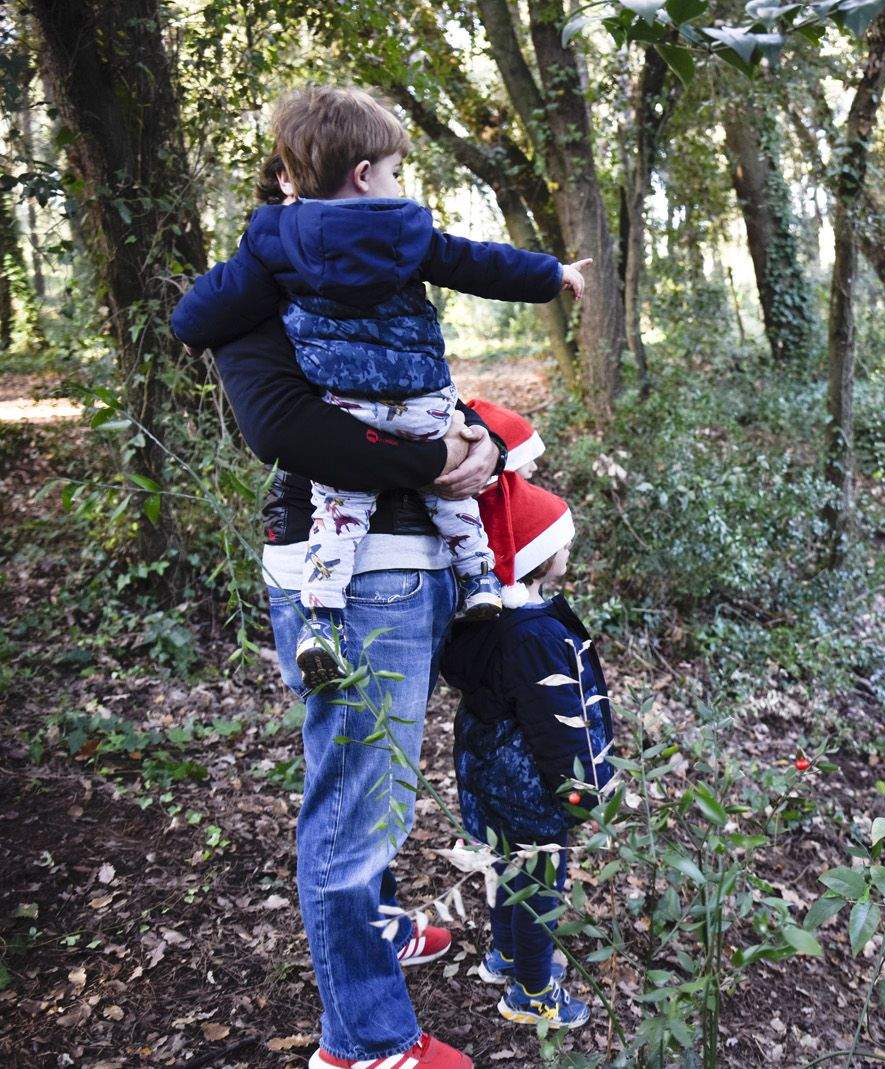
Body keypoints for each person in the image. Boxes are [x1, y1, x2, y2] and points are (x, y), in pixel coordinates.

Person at [210, 162, 537, 1069]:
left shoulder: (385, 253)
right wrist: (435, 461)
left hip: (414, 558)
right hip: (347, 573)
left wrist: (480, 438)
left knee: (374, 779)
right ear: (292, 180)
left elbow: (422, 390)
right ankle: (364, 1042)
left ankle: (377, 927)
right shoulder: (253, 280)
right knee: (355, 801)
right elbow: (284, 428)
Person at [173, 85, 590, 689]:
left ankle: (321, 618)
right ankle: (479, 583)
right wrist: (552, 273)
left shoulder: (269, 247)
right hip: (419, 409)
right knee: (454, 498)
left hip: (347, 410)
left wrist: (193, 328)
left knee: (338, 512)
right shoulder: (406, 233)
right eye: (397, 172)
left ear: (293, 178)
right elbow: (479, 263)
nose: (400, 185)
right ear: (365, 175)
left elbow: (205, 308)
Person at [440, 476, 615, 1029]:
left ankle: (508, 956)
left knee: (506, 866)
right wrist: (585, 791)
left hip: (488, 775)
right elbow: (558, 727)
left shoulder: (485, 621)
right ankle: (533, 992)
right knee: (540, 880)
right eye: (562, 541)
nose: (570, 548)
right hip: (530, 787)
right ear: (538, 556)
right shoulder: (535, 637)